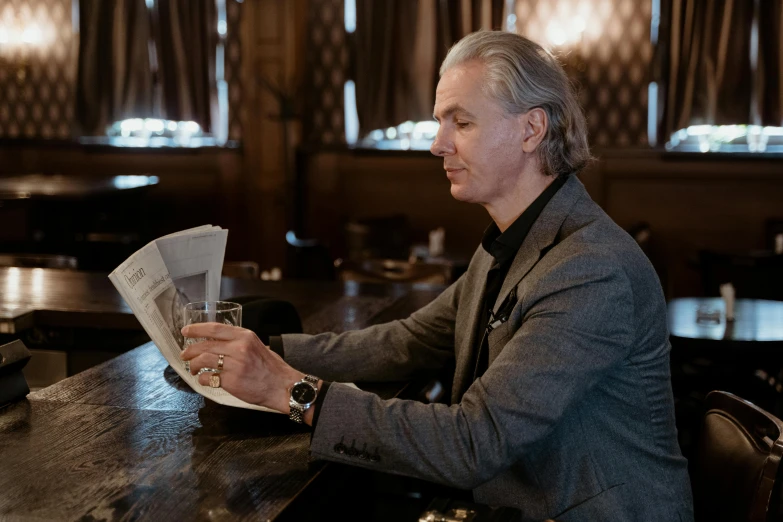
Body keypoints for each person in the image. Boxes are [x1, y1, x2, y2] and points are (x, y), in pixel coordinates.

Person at [181, 31, 694, 521]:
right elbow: (412, 340)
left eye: (461, 123)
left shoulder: (591, 268)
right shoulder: (515, 237)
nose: (437, 144)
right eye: (439, 121)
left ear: (531, 129)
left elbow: (473, 442)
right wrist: (261, 353)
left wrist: (292, 390)